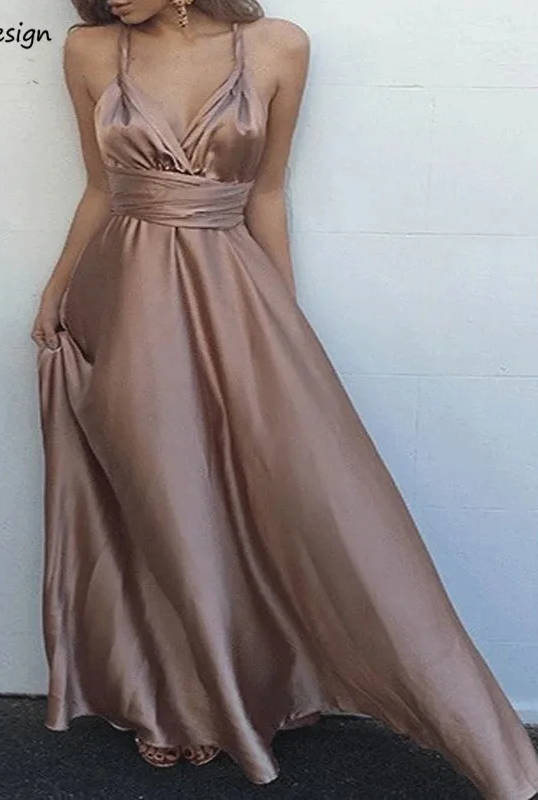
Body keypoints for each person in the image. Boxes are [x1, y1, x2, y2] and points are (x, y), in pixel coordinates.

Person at [32, 1, 538, 796]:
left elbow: (267, 192)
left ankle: (261, 688)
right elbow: (99, 188)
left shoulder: (279, 47)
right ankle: (174, 706)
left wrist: (280, 317)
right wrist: (55, 290)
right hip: (123, 300)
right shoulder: (89, 49)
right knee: (157, 498)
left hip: (233, 293)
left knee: (272, 495)